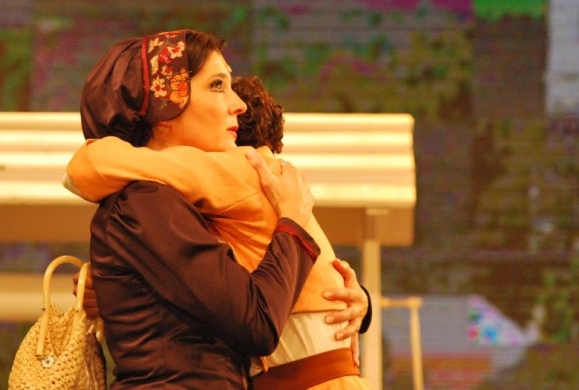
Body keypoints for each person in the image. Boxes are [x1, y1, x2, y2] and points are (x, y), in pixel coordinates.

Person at [75, 29, 369, 389]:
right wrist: (292, 221)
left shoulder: (176, 199)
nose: (238, 104)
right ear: (164, 109)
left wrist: (358, 299)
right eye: (217, 85)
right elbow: (257, 323)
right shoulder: (145, 201)